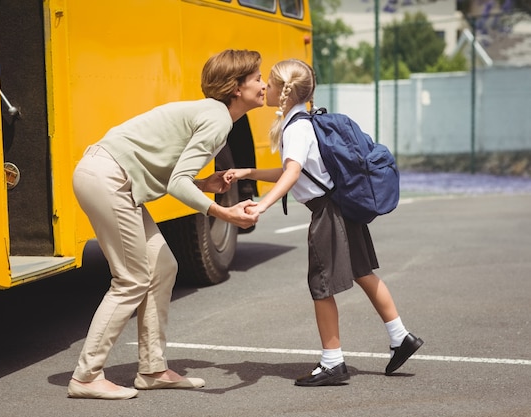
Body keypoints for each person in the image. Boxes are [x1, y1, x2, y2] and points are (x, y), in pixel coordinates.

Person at [67, 49, 264, 400]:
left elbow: (176, 175)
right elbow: (176, 184)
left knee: (163, 266)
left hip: (109, 176)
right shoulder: (218, 120)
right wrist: (225, 213)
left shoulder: (214, 115)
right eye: (257, 79)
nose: (264, 86)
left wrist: (204, 185)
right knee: (131, 279)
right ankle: (86, 376)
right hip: (109, 178)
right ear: (237, 88)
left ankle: (153, 369)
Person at [224, 59, 423, 386]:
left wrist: (262, 205)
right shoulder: (304, 122)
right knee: (363, 273)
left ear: (284, 92)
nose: (265, 89)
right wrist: (248, 172)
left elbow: (291, 172)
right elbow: (294, 168)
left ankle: (333, 362)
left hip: (328, 213)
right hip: (342, 205)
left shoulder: (296, 127)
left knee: (321, 285)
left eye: (269, 85)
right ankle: (400, 337)